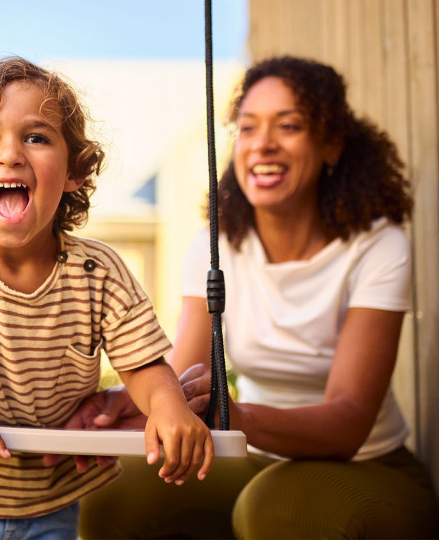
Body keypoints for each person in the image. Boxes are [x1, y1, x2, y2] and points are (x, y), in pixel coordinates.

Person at [73, 56, 439, 539]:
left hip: (368, 466)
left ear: (331, 145)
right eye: (248, 128)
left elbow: (349, 420)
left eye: (288, 126)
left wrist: (234, 414)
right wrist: (134, 403)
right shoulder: (216, 245)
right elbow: (183, 378)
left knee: (276, 509)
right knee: (115, 493)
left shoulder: (377, 247)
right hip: (255, 459)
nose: (263, 143)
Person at [0, 56, 214, 540]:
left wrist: (166, 405)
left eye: (36, 137)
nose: (11, 154)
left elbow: (143, 366)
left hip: (56, 502)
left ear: (75, 172)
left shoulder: (99, 273)